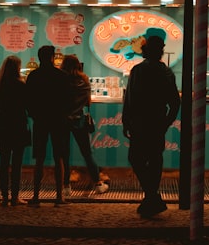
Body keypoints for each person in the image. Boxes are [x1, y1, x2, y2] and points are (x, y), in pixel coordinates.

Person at [121, 34, 180, 218]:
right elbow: (175, 103)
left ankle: (151, 197)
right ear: (161, 51)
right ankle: (152, 197)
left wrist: (126, 120)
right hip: (157, 122)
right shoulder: (166, 72)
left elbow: (129, 98)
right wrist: (166, 122)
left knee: (135, 158)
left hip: (139, 122)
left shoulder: (138, 70)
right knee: (155, 159)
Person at [25, 45, 73, 205]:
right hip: (58, 120)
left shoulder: (33, 76)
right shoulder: (62, 76)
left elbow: (29, 101)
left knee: (39, 158)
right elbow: (68, 100)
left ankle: (36, 197)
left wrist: (35, 114)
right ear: (52, 57)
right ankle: (59, 197)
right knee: (58, 157)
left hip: (40, 120)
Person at [61, 54, 109, 193]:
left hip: (63, 120)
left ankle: (65, 187)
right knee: (87, 153)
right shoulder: (84, 80)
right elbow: (88, 101)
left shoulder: (61, 80)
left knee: (64, 154)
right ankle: (98, 184)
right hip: (79, 119)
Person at [0, 56, 30, 206]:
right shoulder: (20, 85)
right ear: (17, 68)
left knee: (4, 162)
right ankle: (15, 197)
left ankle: (4, 196)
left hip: (3, 124)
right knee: (16, 163)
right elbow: (27, 103)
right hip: (18, 125)